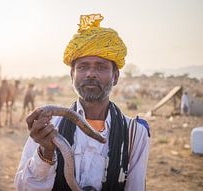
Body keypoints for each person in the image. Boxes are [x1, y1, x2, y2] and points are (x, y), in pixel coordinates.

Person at [15, 14, 150, 191]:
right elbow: (24, 188)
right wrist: (46, 152)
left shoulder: (135, 133)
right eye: (82, 66)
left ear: (115, 77)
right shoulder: (49, 126)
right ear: (72, 75)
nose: (90, 74)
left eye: (101, 67)